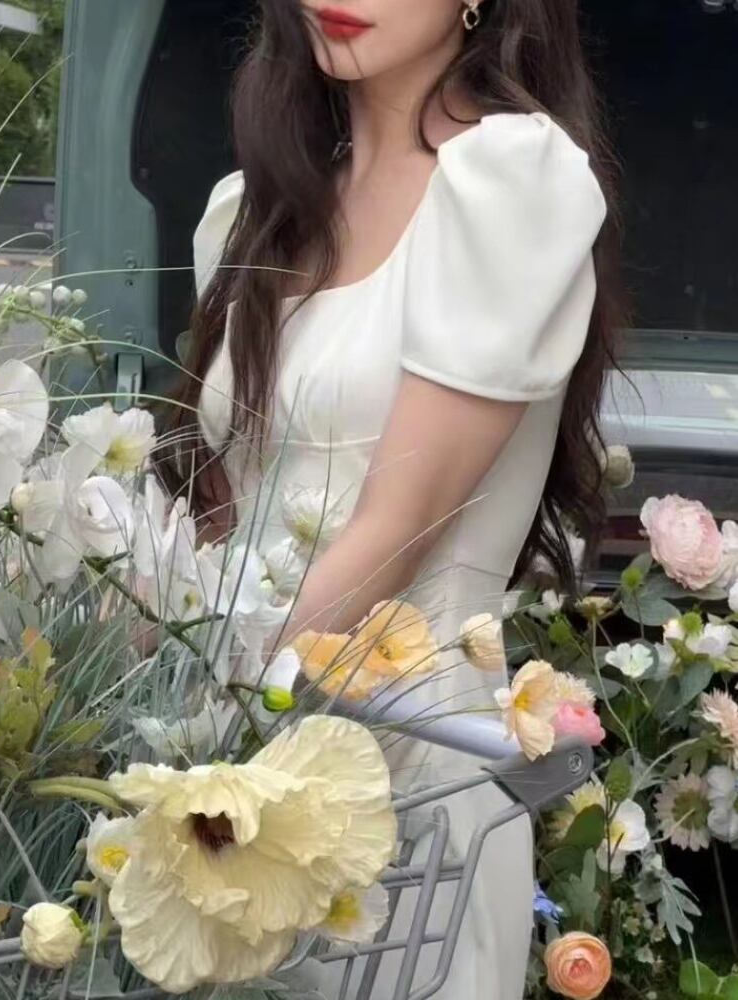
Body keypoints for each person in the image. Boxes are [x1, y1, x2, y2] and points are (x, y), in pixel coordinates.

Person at [168, 0, 623, 996]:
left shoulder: (510, 180)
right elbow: (219, 523)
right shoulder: (255, 205)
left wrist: (211, 722)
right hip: (228, 790)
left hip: (401, 786)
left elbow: (399, 527)